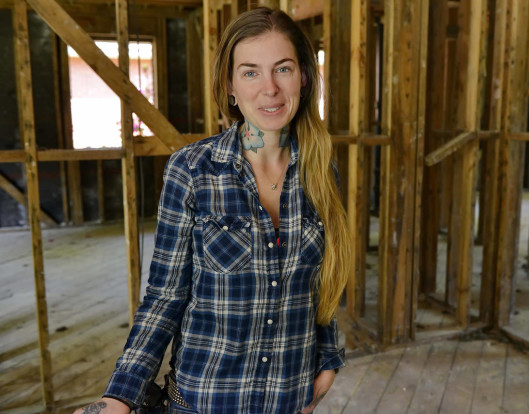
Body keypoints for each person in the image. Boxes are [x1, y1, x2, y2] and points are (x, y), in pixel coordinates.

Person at [74, 6, 350, 414]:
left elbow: (322, 285)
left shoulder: (321, 172)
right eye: (251, 71)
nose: (269, 88)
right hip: (203, 403)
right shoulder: (192, 170)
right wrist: (120, 395)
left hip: (290, 402)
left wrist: (326, 362)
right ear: (231, 85)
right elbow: (165, 296)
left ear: (304, 79)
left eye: (284, 69)